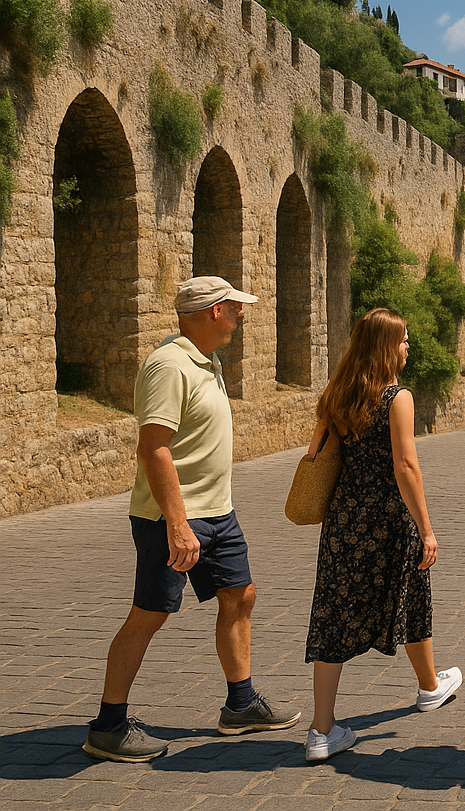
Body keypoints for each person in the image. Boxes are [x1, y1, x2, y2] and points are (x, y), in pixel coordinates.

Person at [85, 277, 300, 763]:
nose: (242, 315)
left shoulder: (207, 360)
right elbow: (153, 448)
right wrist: (177, 524)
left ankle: (240, 705)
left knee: (239, 595)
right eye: (235, 308)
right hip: (173, 517)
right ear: (211, 313)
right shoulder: (168, 366)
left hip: (218, 512)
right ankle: (108, 726)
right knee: (150, 613)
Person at [302, 309, 460, 762]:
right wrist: (427, 529)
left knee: (334, 616)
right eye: (405, 340)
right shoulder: (397, 397)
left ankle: (321, 730)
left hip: (344, 520)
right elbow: (406, 466)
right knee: (410, 593)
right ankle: (429, 688)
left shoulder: (335, 394)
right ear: (388, 347)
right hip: (390, 519)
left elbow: (315, 453)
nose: (409, 347)